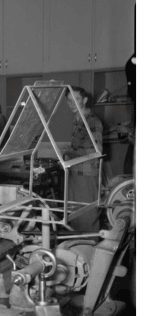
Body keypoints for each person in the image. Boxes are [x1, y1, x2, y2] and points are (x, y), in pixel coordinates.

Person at [63, 86, 103, 233]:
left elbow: (97, 151)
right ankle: (77, 251)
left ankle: (90, 250)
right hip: (76, 173)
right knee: (75, 216)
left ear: (85, 100)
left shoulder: (92, 121)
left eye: (76, 99)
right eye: (69, 100)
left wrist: (69, 151)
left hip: (86, 176)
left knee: (87, 217)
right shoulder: (78, 119)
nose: (72, 103)